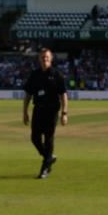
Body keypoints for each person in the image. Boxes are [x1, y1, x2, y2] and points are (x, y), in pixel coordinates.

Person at [22, 48, 68, 179]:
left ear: (51, 58)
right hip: (38, 110)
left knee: (48, 139)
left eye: (47, 57)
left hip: (52, 111)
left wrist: (64, 113)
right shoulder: (35, 75)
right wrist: (25, 112)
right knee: (34, 138)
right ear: (39, 59)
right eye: (42, 57)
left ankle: (45, 169)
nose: (45, 59)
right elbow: (28, 94)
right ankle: (49, 157)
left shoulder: (57, 74)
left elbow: (63, 95)